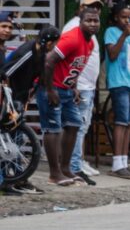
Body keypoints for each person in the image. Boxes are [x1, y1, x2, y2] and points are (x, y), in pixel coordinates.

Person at [38, 10, 100, 186]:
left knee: (74, 124)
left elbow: (73, 65)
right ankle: (54, 173)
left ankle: (65, 169)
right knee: (53, 129)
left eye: (96, 21)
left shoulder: (90, 44)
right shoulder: (72, 38)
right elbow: (49, 61)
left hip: (66, 89)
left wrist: (73, 86)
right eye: (88, 20)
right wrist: (50, 90)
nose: (93, 24)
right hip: (51, 88)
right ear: (80, 22)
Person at [0, 25, 61, 194]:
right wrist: (9, 101)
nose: (55, 46)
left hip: (21, 97)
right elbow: (6, 74)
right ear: (48, 42)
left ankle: (19, 179)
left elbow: (41, 74)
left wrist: (36, 90)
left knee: (16, 141)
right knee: (8, 139)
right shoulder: (27, 52)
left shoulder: (41, 52)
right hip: (10, 98)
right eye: (55, 43)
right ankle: (7, 181)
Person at [63, 0, 103, 183]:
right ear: (80, 9)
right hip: (79, 86)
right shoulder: (73, 27)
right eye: (89, 6)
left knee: (81, 127)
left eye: (97, 7)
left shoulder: (90, 29)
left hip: (87, 85)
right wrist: (74, 85)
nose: (94, 10)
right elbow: (65, 58)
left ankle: (76, 162)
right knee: (76, 127)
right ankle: (74, 166)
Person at [104, 2, 130, 179]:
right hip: (118, 82)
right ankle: (116, 164)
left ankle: (124, 161)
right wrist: (124, 35)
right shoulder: (111, 32)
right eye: (123, 17)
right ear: (116, 17)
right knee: (120, 122)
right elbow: (112, 54)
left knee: (128, 123)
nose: (127, 20)